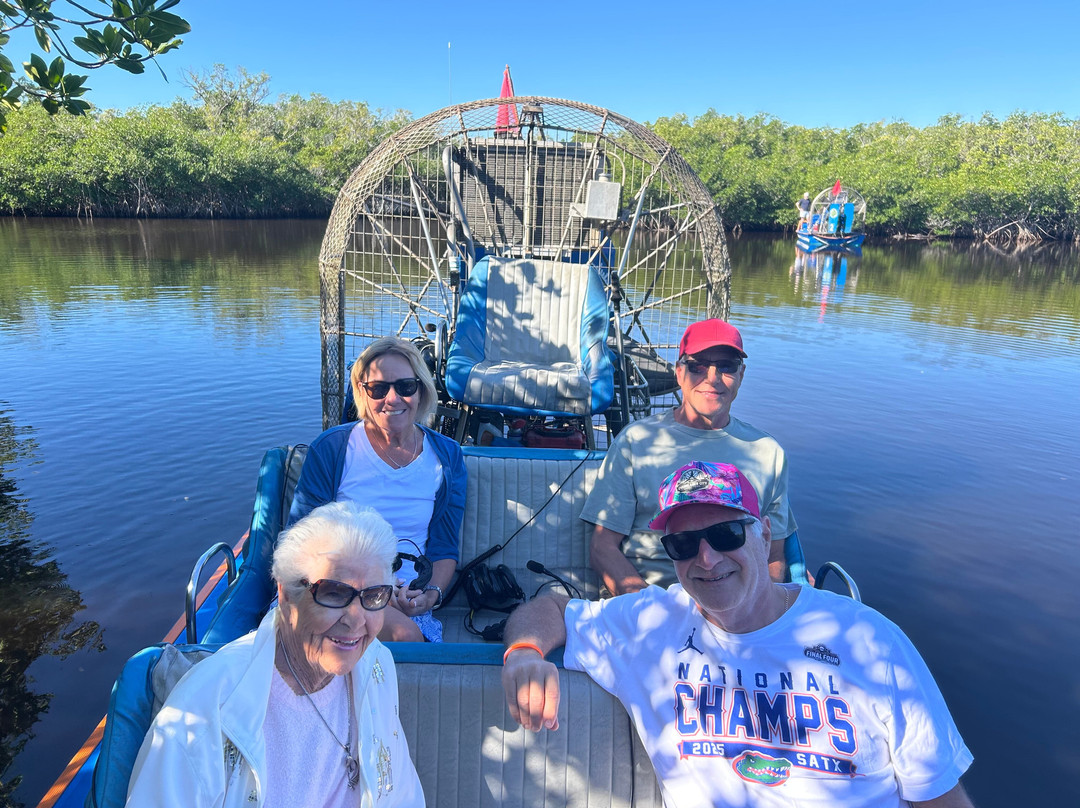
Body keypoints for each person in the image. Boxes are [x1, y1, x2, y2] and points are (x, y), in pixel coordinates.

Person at [502, 462, 975, 808]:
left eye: (727, 534)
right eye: (683, 544)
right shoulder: (652, 622)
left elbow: (939, 796)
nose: (707, 559)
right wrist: (524, 652)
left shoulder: (868, 640)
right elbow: (551, 609)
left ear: (764, 535)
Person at [127, 502, 424, 807]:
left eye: (373, 595)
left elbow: (401, 793)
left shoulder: (375, 663)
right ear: (285, 596)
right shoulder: (202, 713)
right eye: (334, 593)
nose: (356, 619)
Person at [582, 318, 796, 593]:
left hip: (736, 605)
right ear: (679, 373)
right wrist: (652, 608)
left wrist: (756, 608)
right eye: (698, 366)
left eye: (726, 366)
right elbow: (602, 547)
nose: (712, 378)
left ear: (741, 375)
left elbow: (773, 555)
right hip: (649, 597)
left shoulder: (767, 452)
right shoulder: (636, 441)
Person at [289, 337, 466, 642]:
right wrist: (371, 586)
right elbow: (302, 540)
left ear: (421, 390)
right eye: (378, 389)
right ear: (361, 391)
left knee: (404, 633)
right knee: (400, 635)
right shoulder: (333, 449)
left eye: (406, 387)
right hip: (332, 585)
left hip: (407, 599)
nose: (393, 399)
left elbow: (445, 547)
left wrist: (429, 596)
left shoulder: (447, 457)